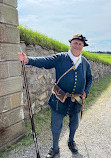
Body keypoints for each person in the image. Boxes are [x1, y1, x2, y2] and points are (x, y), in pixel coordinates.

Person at [18, 34, 92, 158]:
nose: (77, 45)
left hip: (76, 100)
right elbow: (45, 61)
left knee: (74, 124)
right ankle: (55, 148)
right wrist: (28, 60)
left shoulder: (85, 63)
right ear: (70, 44)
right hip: (59, 99)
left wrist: (86, 91)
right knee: (56, 126)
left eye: (80, 44)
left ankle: (71, 141)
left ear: (83, 46)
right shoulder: (60, 57)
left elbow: (89, 78)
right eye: (75, 42)